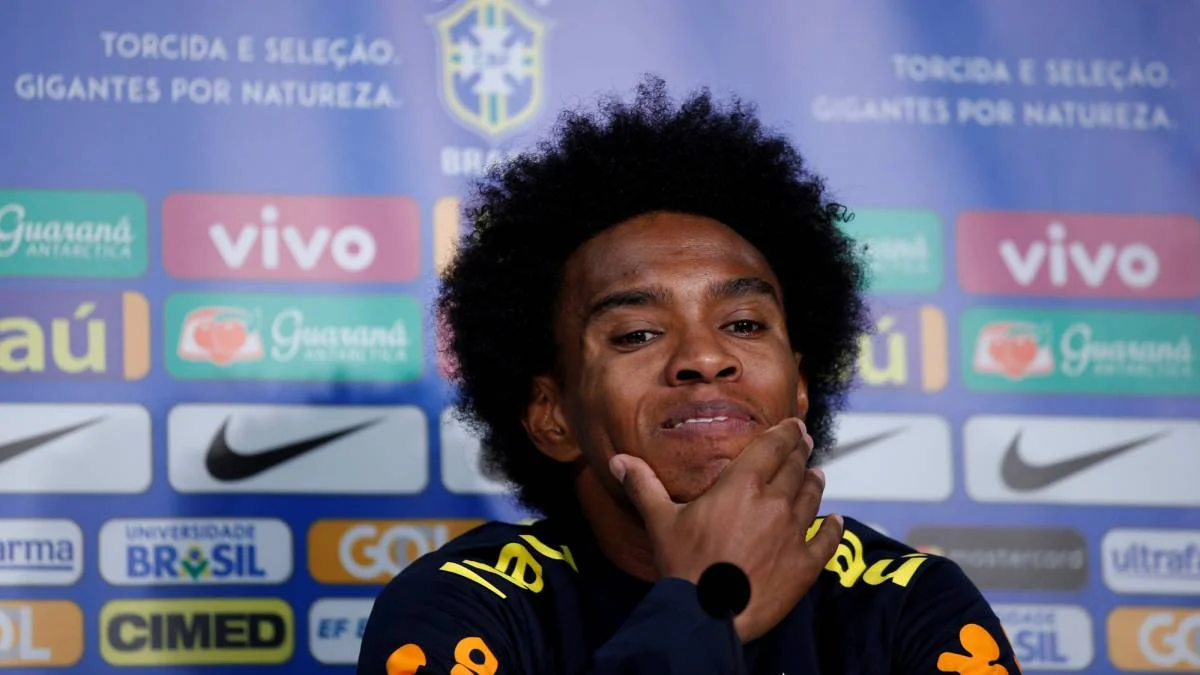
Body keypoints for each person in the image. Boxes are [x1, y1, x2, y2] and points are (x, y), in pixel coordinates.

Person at [357, 75, 1022, 675]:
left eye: (745, 324)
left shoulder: (909, 602)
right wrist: (705, 609)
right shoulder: (461, 607)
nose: (704, 357)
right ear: (552, 416)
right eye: (638, 334)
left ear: (799, 387)